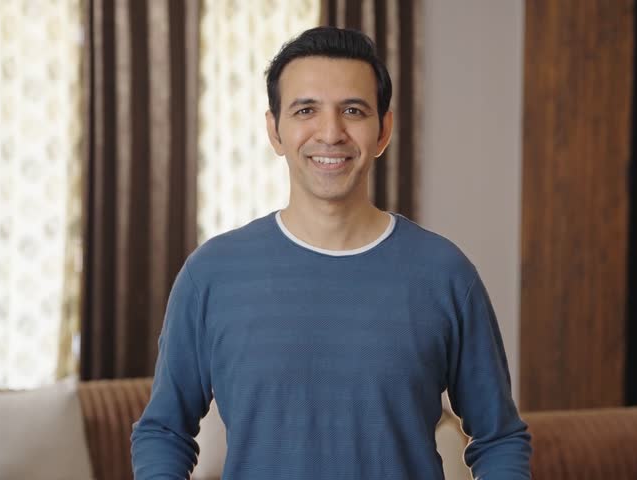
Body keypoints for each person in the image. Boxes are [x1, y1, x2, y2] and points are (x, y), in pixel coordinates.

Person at [131, 26, 532, 479]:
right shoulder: (210, 276)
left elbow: (499, 439)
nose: (331, 132)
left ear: (383, 131)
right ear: (275, 130)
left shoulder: (445, 276)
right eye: (306, 110)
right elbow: (163, 431)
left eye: (353, 110)